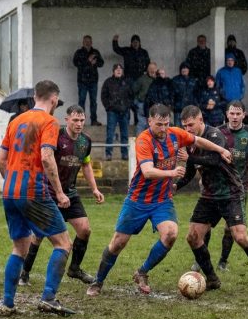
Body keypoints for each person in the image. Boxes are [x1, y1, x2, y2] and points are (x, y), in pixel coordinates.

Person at [85, 103, 232, 296]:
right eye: (159, 125)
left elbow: (198, 140)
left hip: (162, 200)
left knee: (171, 234)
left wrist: (220, 150)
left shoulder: (175, 134)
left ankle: (142, 272)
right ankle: (98, 281)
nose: (163, 129)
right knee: (118, 243)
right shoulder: (143, 140)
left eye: (166, 124)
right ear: (150, 121)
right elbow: (147, 172)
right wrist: (172, 172)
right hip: (138, 199)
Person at [175, 105, 248, 293]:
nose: (187, 130)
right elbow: (191, 172)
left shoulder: (215, 135)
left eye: (190, 125)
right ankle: (212, 278)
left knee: (240, 237)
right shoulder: (189, 142)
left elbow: (215, 161)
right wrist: (176, 186)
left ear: (200, 120)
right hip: (209, 195)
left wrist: (189, 159)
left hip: (231, 193)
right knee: (193, 237)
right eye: (184, 126)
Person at [0, 80, 76, 316]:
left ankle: (7, 304)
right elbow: (47, 157)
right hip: (33, 190)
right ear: (53, 100)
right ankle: (49, 298)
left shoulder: (16, 121)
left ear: (33, 97)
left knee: (19, 247)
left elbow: (0, 160)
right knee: (63, 243)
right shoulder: (49, 121)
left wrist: (12, 183)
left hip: (10, 191)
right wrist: (59, 192)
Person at [18, 105, 105, 287]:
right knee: (38, 235)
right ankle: (25, 272)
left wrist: (94, 189)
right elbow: (44, 159)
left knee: (84, 230)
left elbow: (86, 165)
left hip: (70, 194)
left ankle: (74, 268)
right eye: (75, 120)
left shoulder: (85, 142)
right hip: (49, 193)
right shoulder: (55, 136)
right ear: (66, 120)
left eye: (82, 120)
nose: (79, 124)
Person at [190, 100, 248, 272]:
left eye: (238, 113)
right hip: (214, 187)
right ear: (227, 114)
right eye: (232, 113)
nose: (235, 117)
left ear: (244, 115)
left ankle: (223, 261)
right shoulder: (218, 133)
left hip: (238, 187)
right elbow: (207, 156)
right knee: (204, 226)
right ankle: (201, 261)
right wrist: (202, 175)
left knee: (231, 229)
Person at [113, 34, 151, 125]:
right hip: (129, 79)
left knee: (138, 101)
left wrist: (147, 74)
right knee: (128, 100)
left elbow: (148, 64)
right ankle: (127, 121)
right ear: (131, 43)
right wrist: (115, 41)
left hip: (140, 80)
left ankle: (137, 121)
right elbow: (117, 49)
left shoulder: (144, 52)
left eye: (136, 42)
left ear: (139, 43)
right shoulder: (127, 50)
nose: (135, 44)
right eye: (133, 42)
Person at [101, 64, 133, 161]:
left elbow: (131, 96)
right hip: (112, 112)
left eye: (120, 69)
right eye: (117, 69)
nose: (118, 71)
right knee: (110, 134)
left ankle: (124, 154)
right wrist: (109, 107)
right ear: (113, 71)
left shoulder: (127, 82)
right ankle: (108, 154)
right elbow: (104, 96)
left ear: (122, 71)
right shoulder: (108, 82)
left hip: (124, 112)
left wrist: (127, 107)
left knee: (125, 134)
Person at [72, 35, 104, 126]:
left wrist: (96, 62)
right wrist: (88, 61)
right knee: (81, 101)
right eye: (86, 41)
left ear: (91, 42)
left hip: (93, 81)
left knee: (93, 101)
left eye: (89, 41)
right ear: (83, 42)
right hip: (82, 81)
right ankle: (80, 121)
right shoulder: (79, 52)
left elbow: (102, 63)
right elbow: (75, 63)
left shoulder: (95, 52)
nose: (87, 42)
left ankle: (94, 120)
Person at [132, 62, 157, 132]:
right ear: (148, 69)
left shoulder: (158, 79)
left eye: (154, 68)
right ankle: (140, 141)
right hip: (142, 104)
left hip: (154, 105)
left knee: (153, 124)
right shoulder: (142, 79)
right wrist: (137, 101)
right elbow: (133, 90)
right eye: (150, 68)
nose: (152, 70)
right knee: (142, 123)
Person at [172, 62, 198, 127]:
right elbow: (171, 94)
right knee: (177, 128)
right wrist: (172, 104)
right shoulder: (175, 80)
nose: (184, 70)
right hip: (178, 108)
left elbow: (196, 94)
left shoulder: (193, 80)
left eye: (186, 68)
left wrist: (195, 105)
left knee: (189, 128)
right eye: (182, 68)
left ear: (189, 70)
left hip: (189, 109)